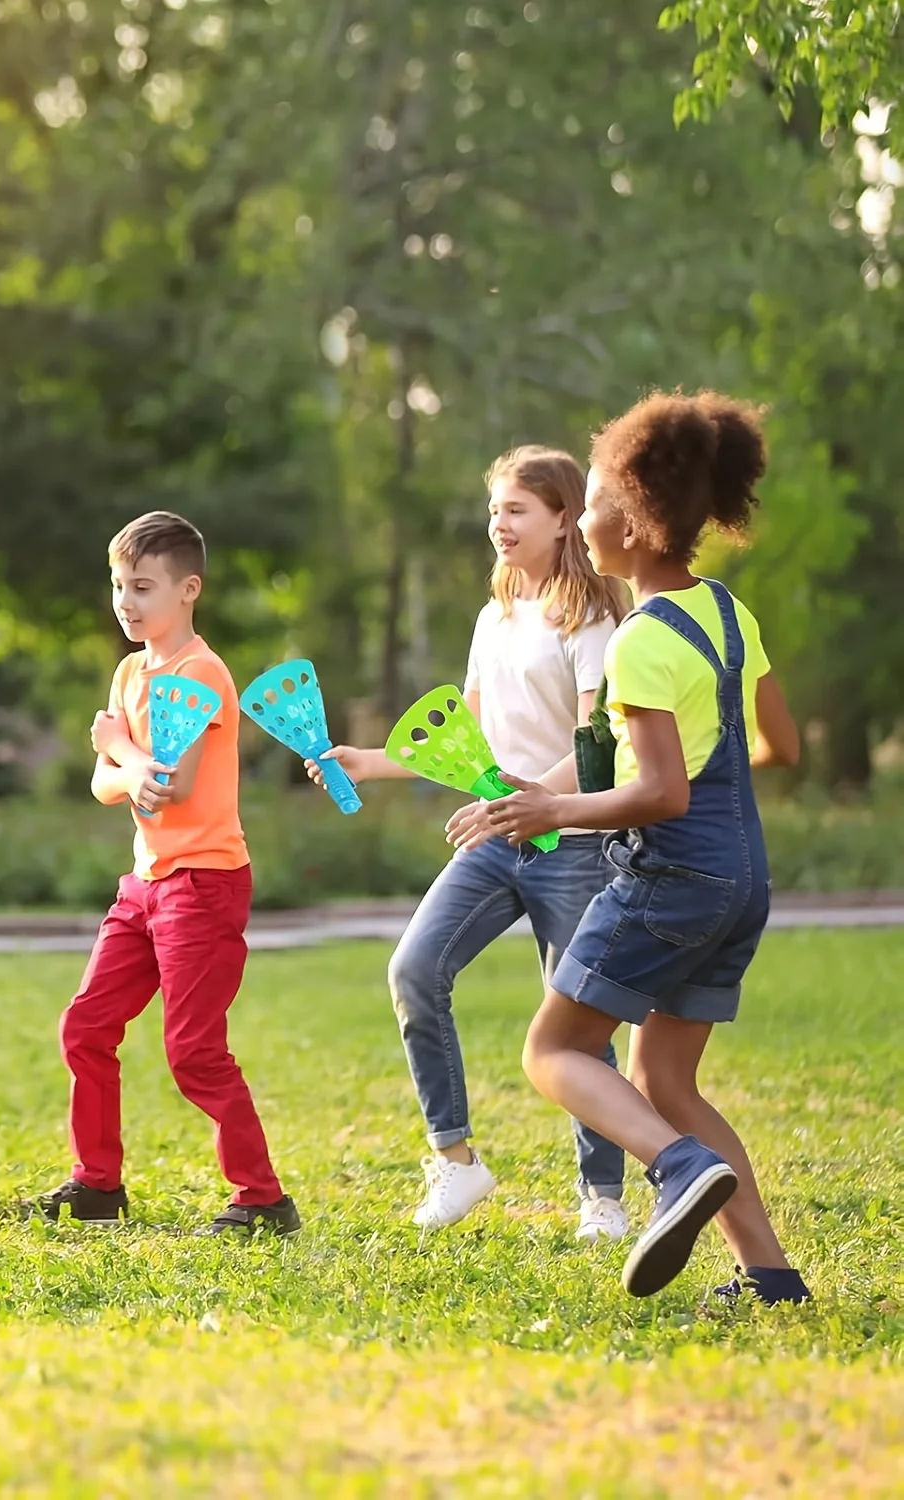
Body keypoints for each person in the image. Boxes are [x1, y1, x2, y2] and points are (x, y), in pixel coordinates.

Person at [488, 392, 810, 1304]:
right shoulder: (725, 613)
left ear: (627, 521)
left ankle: (674, 1170)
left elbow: (661, 793)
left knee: (554, 1053)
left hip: (673, 875)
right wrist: (705, 774)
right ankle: (771, 1275)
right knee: (664, 1075)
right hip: (744, 875)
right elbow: (781, 746)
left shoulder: (638, 640)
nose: (583, 519)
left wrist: (550, 808)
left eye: (589, 501)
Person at [312, 447, 631, 1237]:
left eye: (518, 509)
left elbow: (597, 737)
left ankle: (604, 1198)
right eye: (495, 509)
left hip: (571, 837)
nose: (501, 522)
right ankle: (456, 1164)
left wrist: (533, 801)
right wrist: (373, 762)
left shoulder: (589, 617)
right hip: (498, 835)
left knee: (579, 1020)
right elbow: (470, 741)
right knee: (414, 969)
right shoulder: (494, 618)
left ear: (563, 519)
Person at [29, 511, 299, 1236]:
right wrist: (126, 762)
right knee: (85, 1027)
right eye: (119, 585)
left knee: (193, 1052)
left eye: (142, 586)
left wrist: (118, 744)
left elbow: (169, 788)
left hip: (203, 884)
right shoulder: (130, 670)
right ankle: (97, 1186)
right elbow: (105, 785)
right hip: (145, 884)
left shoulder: (201, 672)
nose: (126, 601)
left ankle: (263, 1200)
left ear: (188, 589)